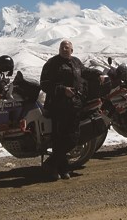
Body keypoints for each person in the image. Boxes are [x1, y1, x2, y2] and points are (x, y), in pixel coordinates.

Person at [39, 40, 101, 180]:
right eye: (62, 46)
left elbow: (85, 72)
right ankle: (59, 168)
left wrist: (98, 75)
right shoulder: (52, 63)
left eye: (67, 47)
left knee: (73, 138)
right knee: (59, 139)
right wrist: (62, 90)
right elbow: (44, 84)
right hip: (58, 107)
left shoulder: (76, 62)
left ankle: (51, 164)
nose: (64, 48)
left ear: (72, 50)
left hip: (74, 107)